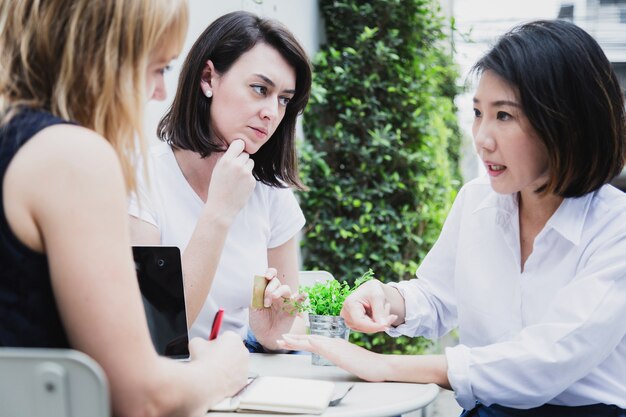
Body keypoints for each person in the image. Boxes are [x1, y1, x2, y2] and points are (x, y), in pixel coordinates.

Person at [277, 19, 626, 416]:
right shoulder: (478, 200)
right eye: (478, 113)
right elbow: (438, 295)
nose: (482, 138)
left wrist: (386, 366)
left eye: (505, 116)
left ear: (566, 123)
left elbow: (548, 361)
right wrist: (387, 298)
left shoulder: (616, 228)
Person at [0, 1, 249, 416]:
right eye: (158, 68)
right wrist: (224, 368)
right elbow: (142, 397)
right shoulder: (70, 157)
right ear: (99, 55)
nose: (159, 92)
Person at [129, 11, 312, 351]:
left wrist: (271, 334)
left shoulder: (271, 191)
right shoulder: (143, 178)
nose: (272, 112)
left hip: (248, 375)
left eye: (284, 99)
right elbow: (158, 328)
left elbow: (294, 317)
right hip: (176, 379)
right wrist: (219, 211)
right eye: (260, 89)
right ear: (208, 78)